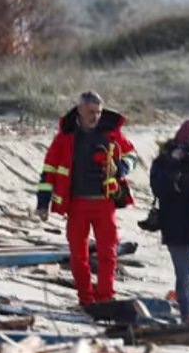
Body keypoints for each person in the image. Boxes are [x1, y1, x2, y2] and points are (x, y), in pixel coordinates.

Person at [36, 91, 138, 306]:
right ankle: (85, 299)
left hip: (105, 203)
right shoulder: (65, 136)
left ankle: (106, 298)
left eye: (99, 112)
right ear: (80, 109)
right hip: (77, 204)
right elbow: (49, 171)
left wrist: (121, 167)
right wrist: (42, 203)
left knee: (108, 253)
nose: (96, 116)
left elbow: (132, 154)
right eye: (91, 112)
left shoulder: (111, 132)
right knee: (78, 255)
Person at [150, 120, 189, 319]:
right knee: (184, 275)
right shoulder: (163, 162)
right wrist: (173, 162)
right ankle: (187, 313)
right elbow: (159, 189)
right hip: (175, 228)